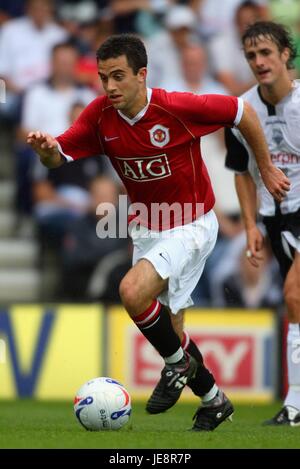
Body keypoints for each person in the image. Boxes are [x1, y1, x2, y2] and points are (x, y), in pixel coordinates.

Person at [27, 33, 289, 431]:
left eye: (118, 76)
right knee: (171, 330)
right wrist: (46, 148)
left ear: (142, 74)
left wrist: (265, 166)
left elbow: (241, 111)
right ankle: (213, 399)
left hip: (191, 223)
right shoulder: (100, 115)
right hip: (148, 228)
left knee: (132, 292)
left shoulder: (176, 107)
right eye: (103, 78)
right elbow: (58, 156)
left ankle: (177, 365)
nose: (110, 86)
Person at [225, 21, 300, 426]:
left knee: (293, 296)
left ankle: (295, 405)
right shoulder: (241, 111)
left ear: (286, 54)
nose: (259, 62)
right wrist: (251, 225)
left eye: (266, 53)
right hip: (275, 219)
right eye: (252, 55)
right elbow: (241, 171)